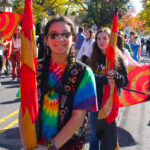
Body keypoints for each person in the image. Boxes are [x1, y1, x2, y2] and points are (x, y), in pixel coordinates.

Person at [19, 16, 98, 150]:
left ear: (73, 39)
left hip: (68, 145)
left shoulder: (84, 73)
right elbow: (24, 109)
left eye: (65, 34)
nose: (60, 39)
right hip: (35, 144)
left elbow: (78, 116)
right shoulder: (33, 69)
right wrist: (26, 143)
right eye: (54, 35)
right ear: (46, 40)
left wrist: (51, 147)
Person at [88, 28, 128, 150]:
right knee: (94, 134)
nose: (101, 41)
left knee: (107, 136)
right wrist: (101, 80)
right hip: (95, 101)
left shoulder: (118, 57)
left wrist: (116, 76)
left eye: (105, 38)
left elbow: (125, 81)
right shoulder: (94, 56)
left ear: (110, 40)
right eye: (99, 38)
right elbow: (89, 79)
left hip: (110, 103)